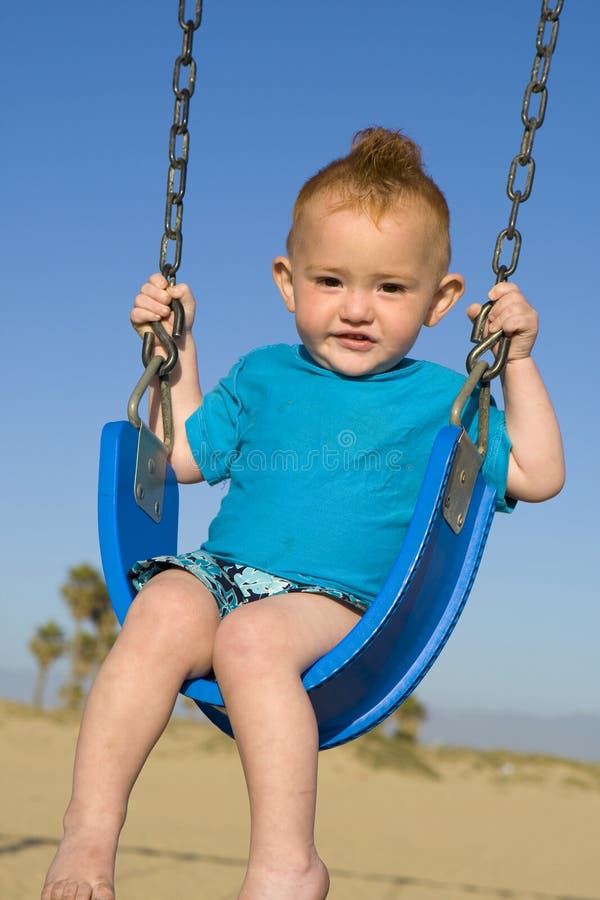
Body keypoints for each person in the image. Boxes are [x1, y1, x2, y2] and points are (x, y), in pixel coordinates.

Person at [42, 127, 565, 900]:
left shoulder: (441, 401)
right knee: (158, 609)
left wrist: (515, 361)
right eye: (330, 282)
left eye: (390, 289)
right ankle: (87, 838)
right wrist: (174, 353)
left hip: (337, 603)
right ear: (289, 283)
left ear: (440, 301)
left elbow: (538, 472)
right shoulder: (261, 373)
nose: (356, 310)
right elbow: (183, 458)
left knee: (252, 641)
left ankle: (288, 864)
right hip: (220, 573)